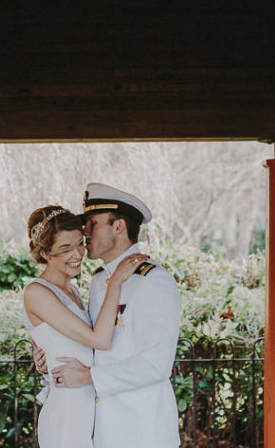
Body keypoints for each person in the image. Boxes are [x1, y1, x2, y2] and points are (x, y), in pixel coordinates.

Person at [50, 183, 182, 448]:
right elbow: (93, 341)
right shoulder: (99, 281)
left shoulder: (153, 280)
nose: (84, 232)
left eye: (92, 223)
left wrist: (90, 377)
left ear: (119, 227)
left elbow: (156, 364)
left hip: (142, 430)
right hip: (103, 429)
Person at [23, 204, 148, 448]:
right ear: (45, 254)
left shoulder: (74, 291)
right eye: (64, 249)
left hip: (90, 408)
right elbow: (99, 340)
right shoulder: (36, 292)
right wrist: (116, 282)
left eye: (79, 243)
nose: (77, 254)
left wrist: (44, 359)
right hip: (67, 412)